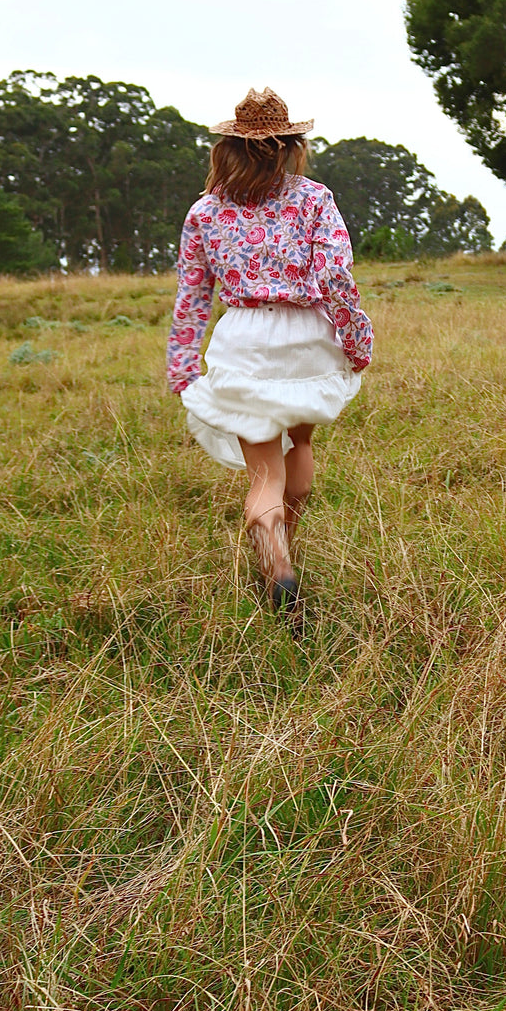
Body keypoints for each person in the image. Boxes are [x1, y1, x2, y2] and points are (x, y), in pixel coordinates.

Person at [166, 87, 373, 617]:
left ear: (227, 148)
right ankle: (284, 545)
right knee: (298, 445)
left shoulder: (204, 212)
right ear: (290, 146)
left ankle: (276, 562)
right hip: (307, 340)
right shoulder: (314, 199)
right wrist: (355, 338)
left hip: (244, 339)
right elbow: (334, 276)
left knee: (263, 471)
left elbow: (194, 296)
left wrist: (184, 364)